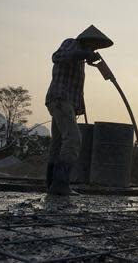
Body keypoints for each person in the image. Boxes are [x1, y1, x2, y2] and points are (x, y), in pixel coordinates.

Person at [45, 25, 113, 195]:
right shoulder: (71, 44)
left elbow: (74, 87)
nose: (94, 49)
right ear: (87, 40)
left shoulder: (80, 61)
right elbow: (57, 56)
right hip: (60, 100)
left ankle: (52, 185)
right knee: (74, 140)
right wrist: (83, 54)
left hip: (65, 103)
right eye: (93, 45)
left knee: (58, 143)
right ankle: (60, 184)